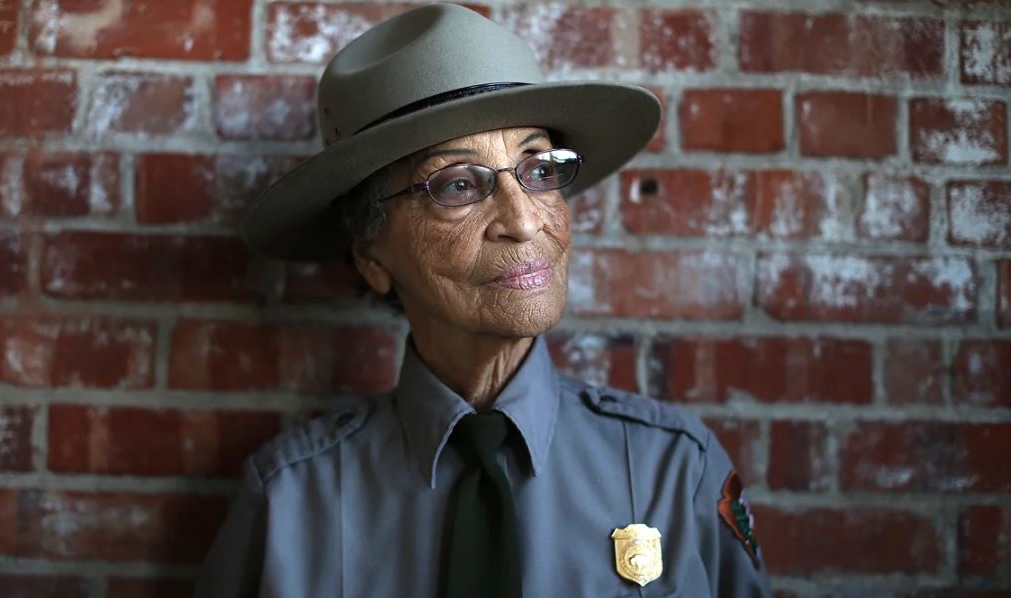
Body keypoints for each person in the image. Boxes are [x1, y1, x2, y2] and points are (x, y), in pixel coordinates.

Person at [196, 3, 773, 597]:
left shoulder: (673, 469)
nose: (523, 221)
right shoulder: (292, 499)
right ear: (371, 255)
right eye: (458, 184)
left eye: (540, 170)